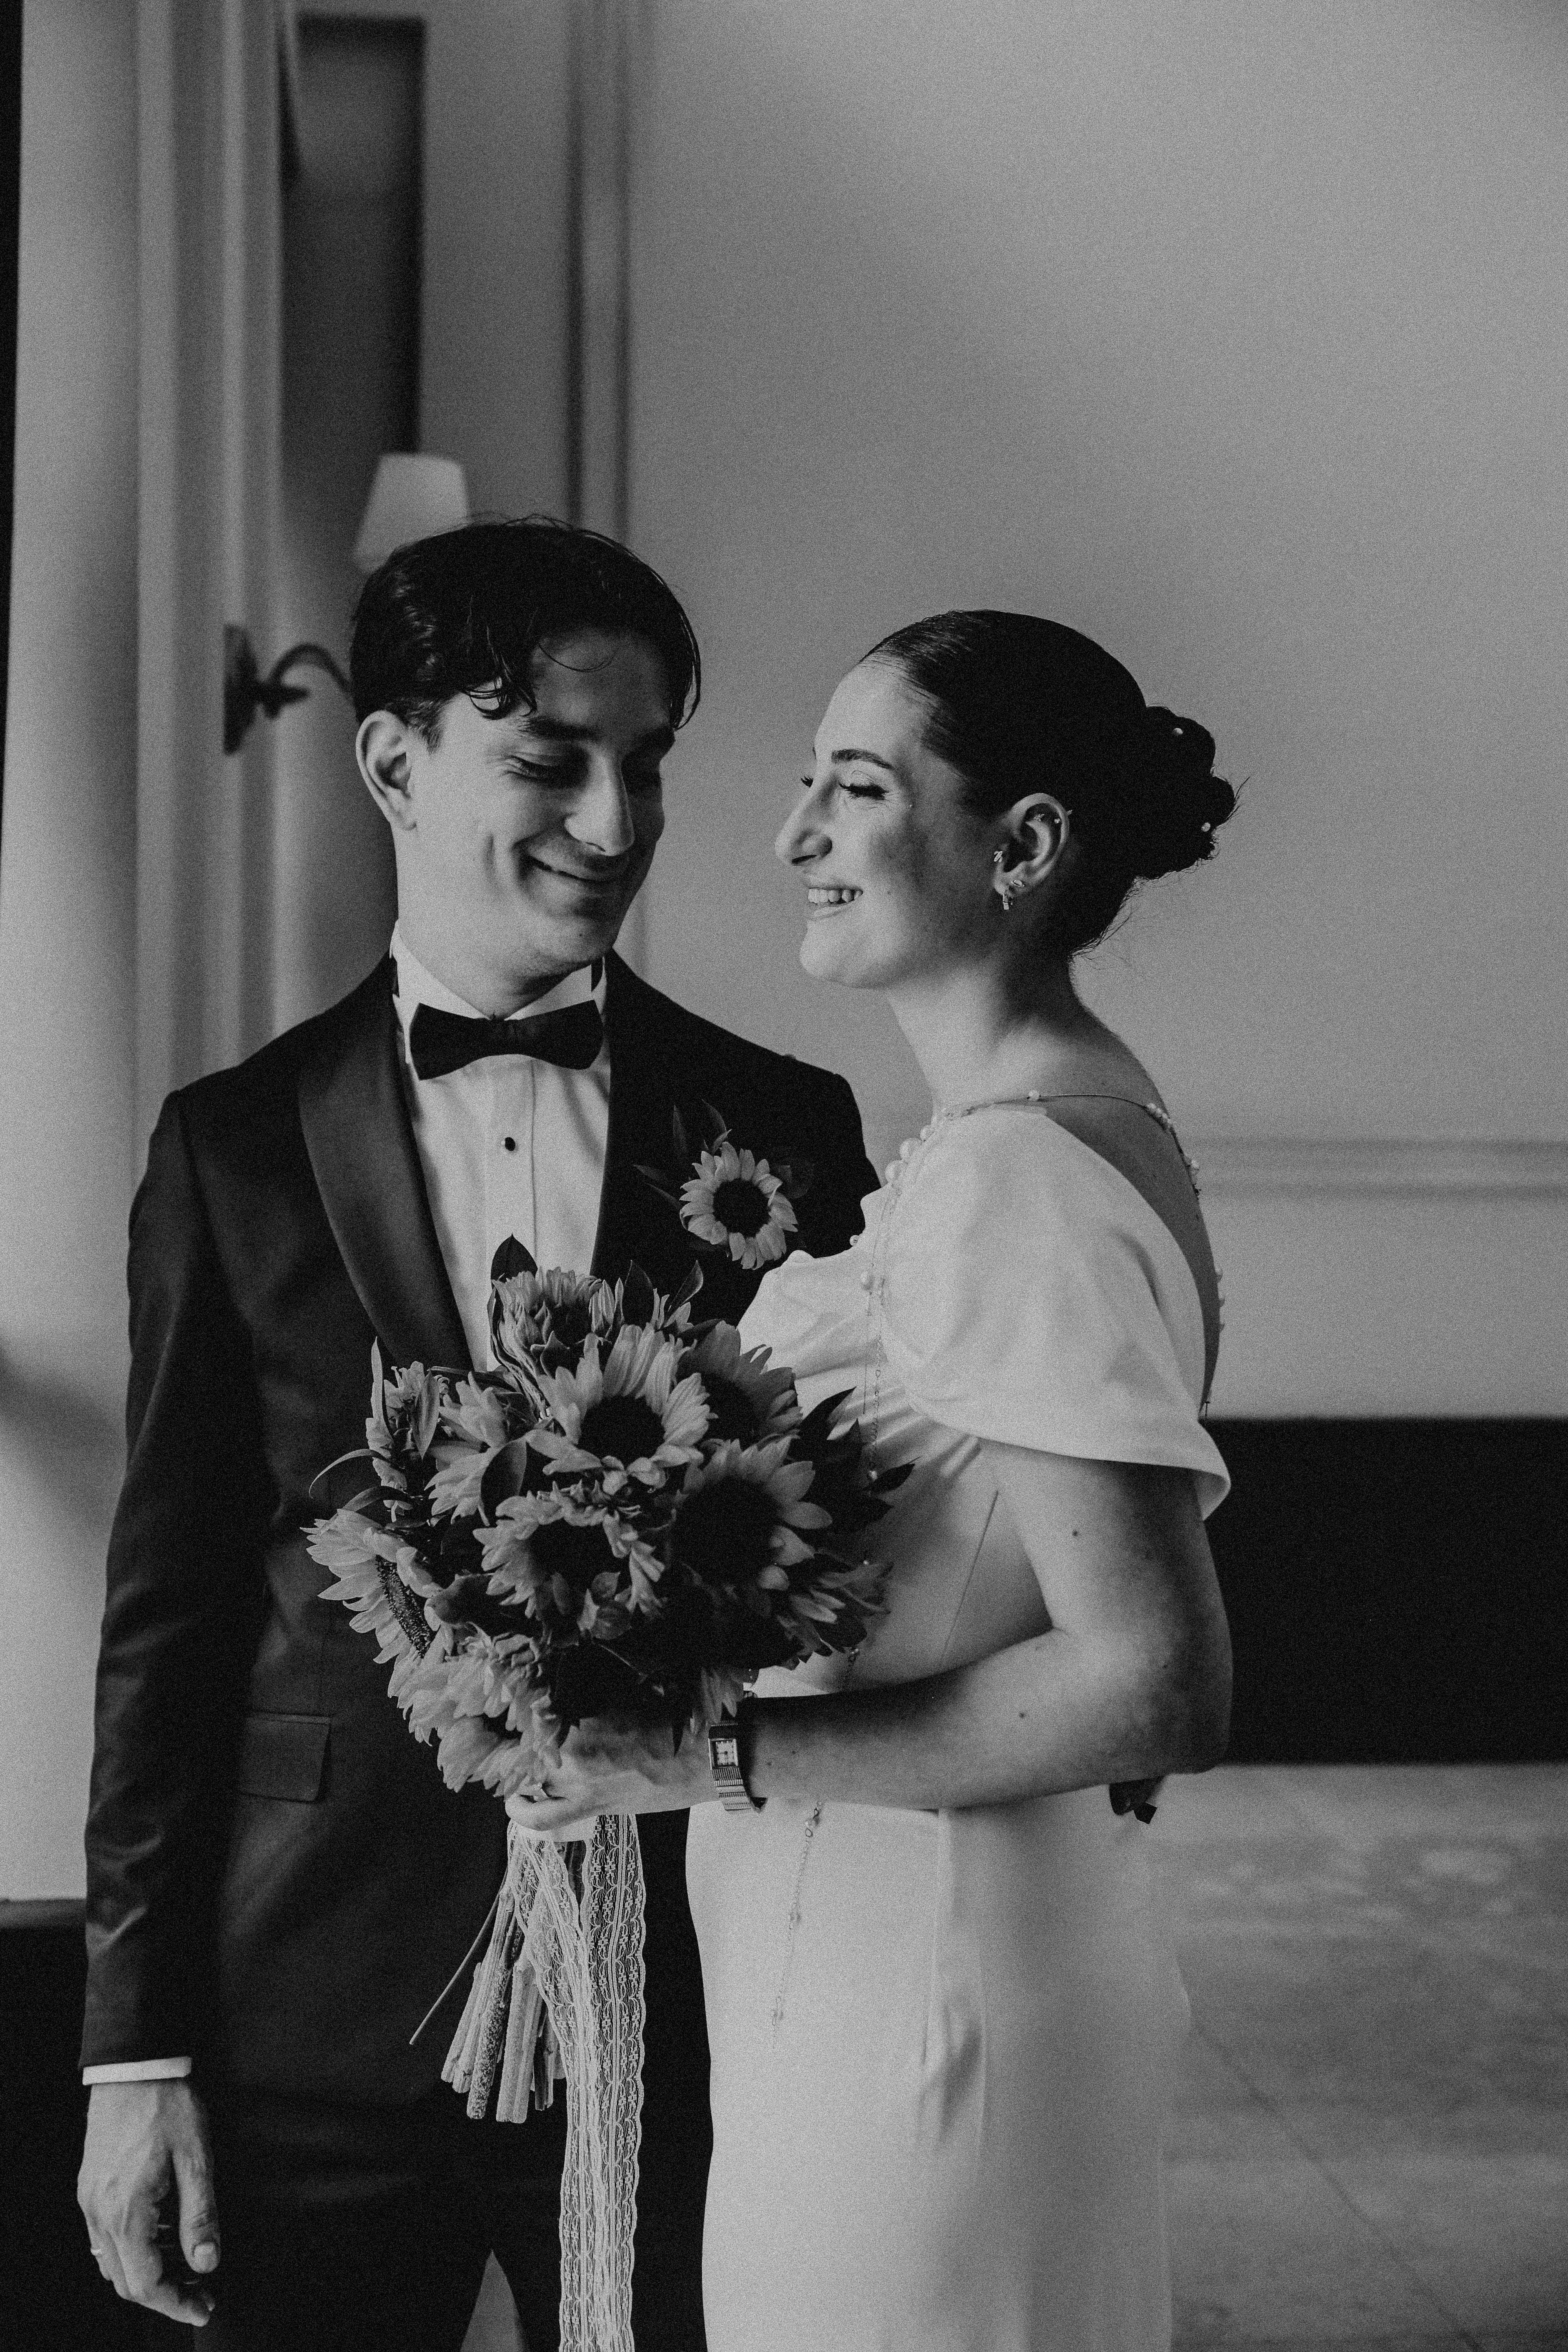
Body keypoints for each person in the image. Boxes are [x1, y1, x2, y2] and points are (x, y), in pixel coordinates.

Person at [76, 519, 878, 2350]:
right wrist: (136, 2054)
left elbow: (854, 1566)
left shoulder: (787, 1124)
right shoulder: (231, 1147)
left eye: (649, 760)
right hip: (312, 2011)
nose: (616, 822)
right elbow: (168, 1613)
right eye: (551, 761)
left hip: (699, 2001)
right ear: (392, 758)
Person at [516, 610, 1237, 2350]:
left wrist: (701, 1756)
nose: (794, 840)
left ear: (1026, 845)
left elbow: (1155, 1679)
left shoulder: (1018, 1187)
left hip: (930, 1989)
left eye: (854, 790)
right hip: (891, 1963)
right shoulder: (1042, 1138)